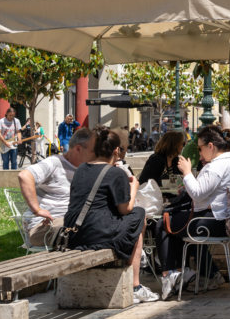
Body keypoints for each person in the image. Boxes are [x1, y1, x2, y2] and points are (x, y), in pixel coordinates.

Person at [64, 127, 159, 304]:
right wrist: (134, 187)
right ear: (116, 150)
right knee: (139, 215)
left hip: (75, 233)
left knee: (133, 221)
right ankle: (135, 285)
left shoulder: (81, 169)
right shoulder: (116, 173)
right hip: (98, 234)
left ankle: (135, 271)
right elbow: (126, 209)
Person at [156, 125, 230, 300]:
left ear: (210, 146)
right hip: (229, 221)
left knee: (164, 222)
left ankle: (171, 274)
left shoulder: (217, 166)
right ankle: (181, 273)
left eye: (200, 148)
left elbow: (198, 193)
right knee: (174, 222)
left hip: (219, 223)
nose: (199, 154)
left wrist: (187, 172)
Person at [17, 128, 95, 247]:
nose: (96, 155)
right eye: (93, 151)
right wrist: (37, 210)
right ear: (78, 149)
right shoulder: (54, 163)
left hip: (70, 223)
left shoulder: (87, 169)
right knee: (90, 231)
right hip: (44, 227)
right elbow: (25, 176)